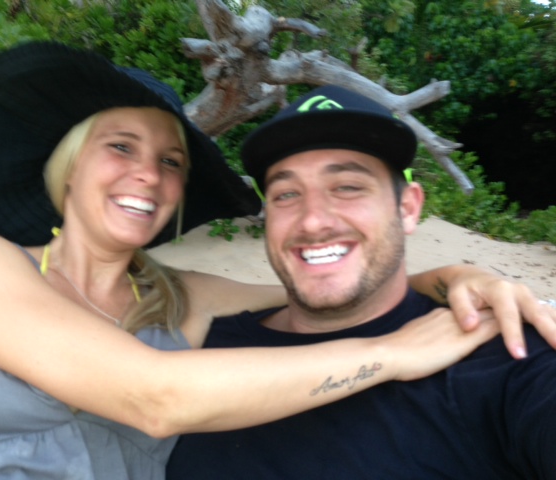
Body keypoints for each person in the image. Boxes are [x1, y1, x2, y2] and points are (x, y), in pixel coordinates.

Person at [0, 42, 549, 480]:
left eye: (170, 161)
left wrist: (457, 277)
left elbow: (323, 285)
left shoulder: (182, 298)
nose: (148, 174)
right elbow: (154, 398)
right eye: (121, 147)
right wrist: (392, 354)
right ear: (70, 164)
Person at [166, 84, 556, 479]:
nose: (313, 221)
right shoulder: (202, 348)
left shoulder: (506, 354)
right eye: (286, 194)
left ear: (408, 208)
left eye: (348, 187)